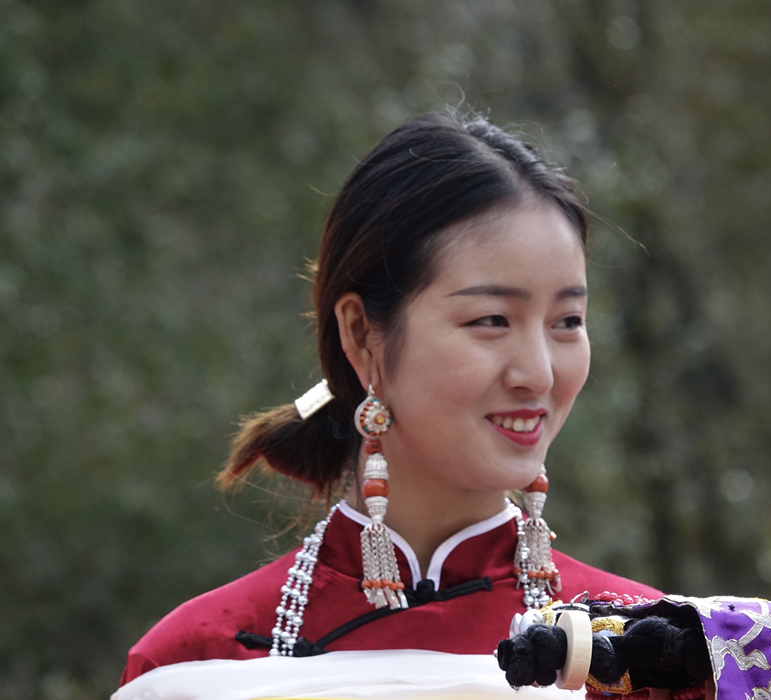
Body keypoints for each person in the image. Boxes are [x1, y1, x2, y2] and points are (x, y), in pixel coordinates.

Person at [115, 111, 663, 699]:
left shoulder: (652, 655)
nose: (539, 373)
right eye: (491, 320)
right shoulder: (193, 667)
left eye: (568, 321)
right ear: (361, 334)